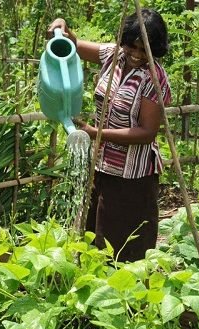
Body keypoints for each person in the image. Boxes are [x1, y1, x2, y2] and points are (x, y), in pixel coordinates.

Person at [47, 9, 171, 262]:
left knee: (124, 248)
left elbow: (147, 133)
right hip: (101, 167)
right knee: (95, 239)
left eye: (143, 50)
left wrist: (97, 133)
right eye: (131, 46)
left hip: (132, 177)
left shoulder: (154, 79)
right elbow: (75, 45)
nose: (136, 54)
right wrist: (63, 27)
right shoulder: (113, 56)